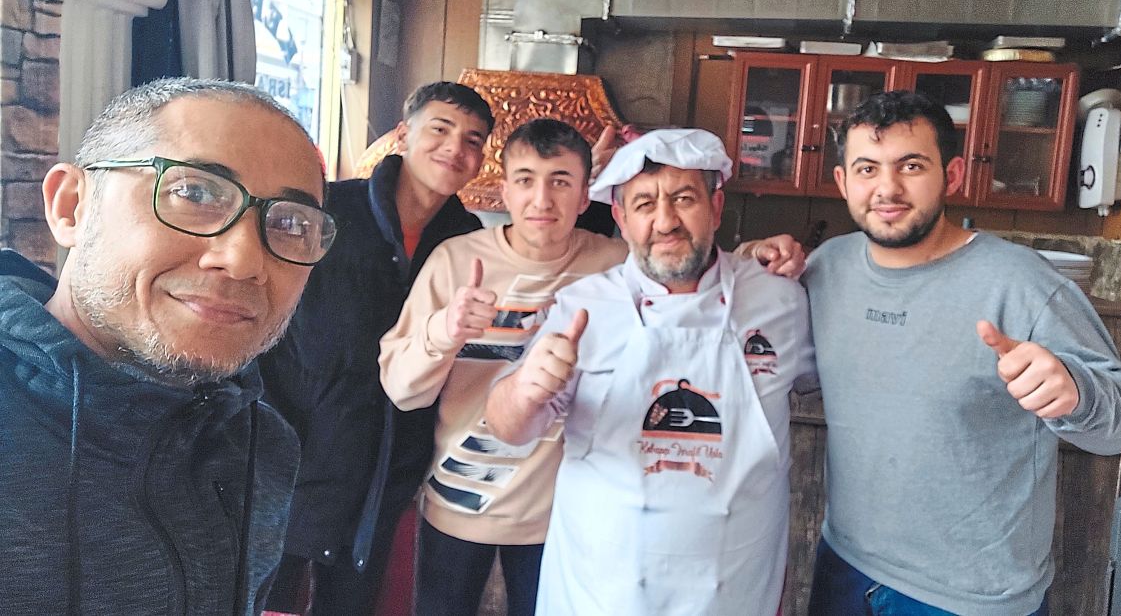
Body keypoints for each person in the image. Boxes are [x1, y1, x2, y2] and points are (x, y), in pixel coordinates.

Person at [800, 90, 1121, 616]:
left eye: (911, 165)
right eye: (867, 168)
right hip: (845, 564)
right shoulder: (827, 268)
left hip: (970, 596)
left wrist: (1076, 392)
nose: (887, 188)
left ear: (954, 175)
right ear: (843, 182)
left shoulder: (1020, 282)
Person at [0, 77, 335, 614]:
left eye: (291, 223)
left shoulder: (262, 447)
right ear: (71, 207)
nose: (245, 260)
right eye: (195, 193)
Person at [485, 128, 817, 616]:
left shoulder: (781, 300)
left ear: (716, 207)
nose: (665, 221)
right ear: (620, 218)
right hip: (600, 591)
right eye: (643, 204)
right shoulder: (583, 307)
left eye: (684, 199)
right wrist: (525, 389)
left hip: (734, 590)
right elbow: (509, 428)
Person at [257, 81, 493, 613]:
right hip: (298, 444)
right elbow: (264, 312)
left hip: (392, 459)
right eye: (441, 129)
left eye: (473, 140)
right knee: (267, 596)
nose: (456, 148)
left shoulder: (466, 241)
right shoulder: (327, 211)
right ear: (404, 135)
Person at [379, 119, 629, 615]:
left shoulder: (617, 266)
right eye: (525, 180)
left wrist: (756, 255)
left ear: (585, 196)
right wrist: (445, 330)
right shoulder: (456, 261)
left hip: (561, 516)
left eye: (560, 181)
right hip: (457, 505)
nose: (542, 199)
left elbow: (694, 275)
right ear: (503, 190)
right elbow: (401, 389)